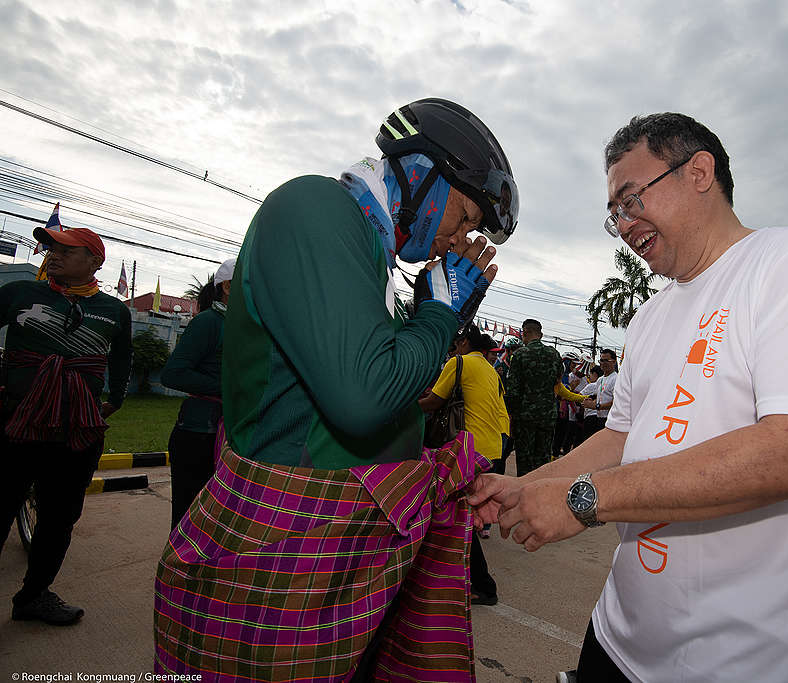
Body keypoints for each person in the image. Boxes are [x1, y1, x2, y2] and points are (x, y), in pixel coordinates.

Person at [470, 112, 788, 682]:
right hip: (618, 637)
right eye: (614, 213)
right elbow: (620, 437)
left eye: (631, 198)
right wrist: (529, 486)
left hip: (740, 665)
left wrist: (580, 500)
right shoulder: (650, 316)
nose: (623, 224)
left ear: (698, 172)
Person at [153, 98, 518, 681]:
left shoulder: (367, 254)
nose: (459, 238)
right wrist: (439, 315)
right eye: (466, 217)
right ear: (421, 172)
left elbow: (389, 386)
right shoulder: (315, 207)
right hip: (284, 548)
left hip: (331, 544)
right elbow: (366, 396)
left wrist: (438, 314)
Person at [0, 227, 132, 626]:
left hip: (75, 433)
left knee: (58, 519)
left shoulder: (114, 310)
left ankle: (33, 595)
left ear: (94, 261)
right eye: (51, 248)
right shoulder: (22, 293)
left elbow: (121, 360)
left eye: (66, 250)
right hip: (14, 426)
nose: (53, 254)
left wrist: (115, 401)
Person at [419, 324, 508, 604]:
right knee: (461, 515)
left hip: (467, 450)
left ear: (463, 342)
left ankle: (484, 587)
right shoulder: (490, 370)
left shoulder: (459, 362)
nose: (452, 349)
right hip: (491, 448)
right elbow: (502, 411)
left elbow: (433, 402)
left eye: (455, 343)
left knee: (458, 516)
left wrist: (402, 403)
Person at [160, 257, 234, 529]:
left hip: (230, 434)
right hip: (199, 434)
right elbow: (173, 374)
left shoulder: (243, 326)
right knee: (189, 518)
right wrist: (230, 388)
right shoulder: (208, 322)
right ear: (227, 286)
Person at [505, 319, 586, 476]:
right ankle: (540, 491)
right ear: (540, 334)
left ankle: (524, 493)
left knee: (524, 459)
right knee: (542, 458)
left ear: (525, 333)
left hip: (524, 417)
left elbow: (513, 391)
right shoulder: (554, 355)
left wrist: (511, 416)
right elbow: (557, 381)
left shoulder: (520, 355)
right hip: (548, 416)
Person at [580, 349, 617, 440]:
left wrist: (596, 406)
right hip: (598, 418)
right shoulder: (600, 379)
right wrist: (589, 402)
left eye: (606, 360)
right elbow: (598, 397)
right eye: (601, 360)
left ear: (614, 362)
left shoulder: (616, 379)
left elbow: (616, 402)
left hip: (610, 420)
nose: (603, 363)